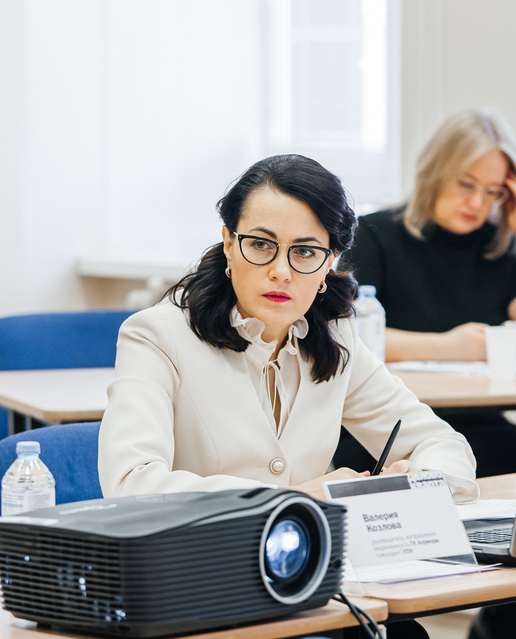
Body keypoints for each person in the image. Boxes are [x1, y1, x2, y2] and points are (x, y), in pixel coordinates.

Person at [98, 154, 478, 639]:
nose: (281, 271)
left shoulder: (336, 336)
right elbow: (131, 486)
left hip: (307, 588)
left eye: (305, 252)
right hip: (201, 593)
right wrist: (295, 500)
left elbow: (443, 445)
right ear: (228, 244)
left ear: (330, 262)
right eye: (261, 245)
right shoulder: (156, 335)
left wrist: (413, 486)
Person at [337, 109, 516, 639]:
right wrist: (445, 345)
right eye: (466, 184)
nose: (476, 202)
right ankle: (399, 616)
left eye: (493, 192)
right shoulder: (375, 234)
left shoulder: (500, 245)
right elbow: (342, 334)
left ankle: (501, 616)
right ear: (434, 172)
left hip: (476, 424)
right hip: (384, 429)